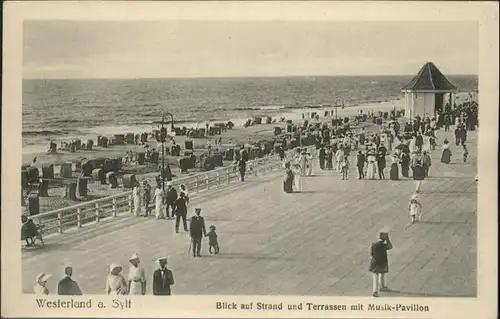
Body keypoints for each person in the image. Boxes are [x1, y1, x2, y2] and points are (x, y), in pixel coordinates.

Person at [369, 232, 393, 297]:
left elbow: (371, 254)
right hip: (382, 263)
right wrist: (388, 240)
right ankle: (382, 287)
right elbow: (390, 246)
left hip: (374, 263)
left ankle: (375, 291)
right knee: (382, 275)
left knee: (375, 277)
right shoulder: (384, 246)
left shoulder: (373, 244)